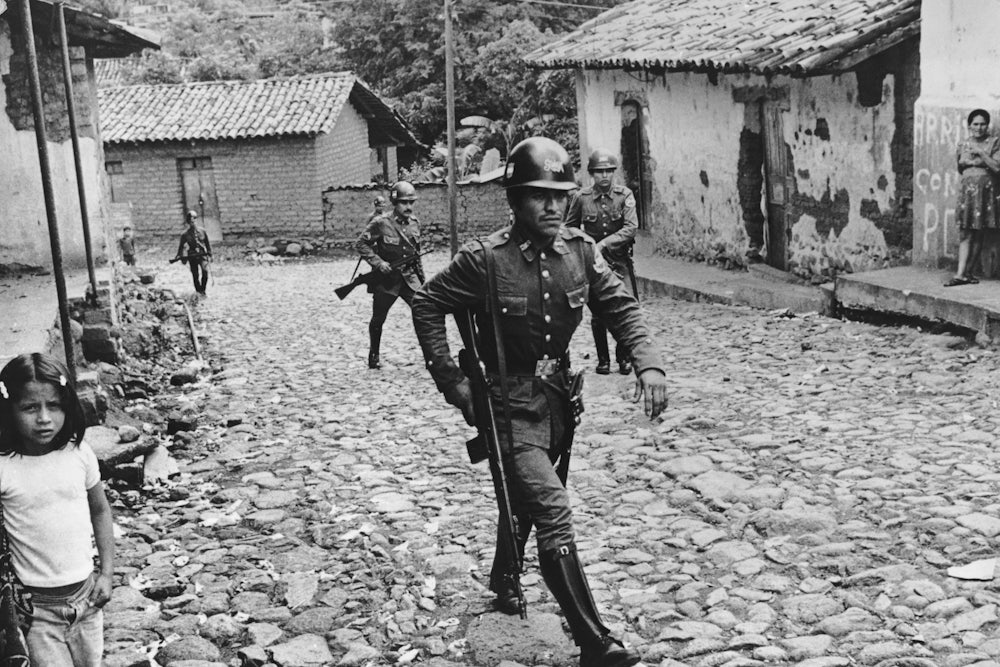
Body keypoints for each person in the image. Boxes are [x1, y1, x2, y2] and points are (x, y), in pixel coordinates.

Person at [411, 137, 669, 667]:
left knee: (530, 496)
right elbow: (427, 302)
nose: (551, 206)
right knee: (553, 510)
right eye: (537, 196)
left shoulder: (580, 251)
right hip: (505, 405)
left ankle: (504, 573)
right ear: (514, 200)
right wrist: (454, 386)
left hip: (557, 403)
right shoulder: (484, 260)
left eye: (559, 195)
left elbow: (620, 308)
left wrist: (648, 362)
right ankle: (595, 641)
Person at [0, 353, 114, 666]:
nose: (44, 418)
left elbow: (100, 511)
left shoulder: (79, 453)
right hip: (36, 610)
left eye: (54, 405)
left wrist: (106, 572)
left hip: (88, 599)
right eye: (29, 408)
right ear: (8, 409)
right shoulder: (4, 467)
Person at [566, 148, 639, 375]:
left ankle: (624, 358)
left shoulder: (624, 195)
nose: (604, 176)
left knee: (625, 307)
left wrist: (604, 244)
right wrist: (586, 248)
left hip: (619, 261)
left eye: (608, 171)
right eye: (599, 172)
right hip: (594, 264)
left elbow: (631, 228)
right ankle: (603, 360)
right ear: (592, 175)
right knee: (598, 313)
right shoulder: (581, 198)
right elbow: (570, 228)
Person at [355, 181, 426, 369]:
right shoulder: (381, 223)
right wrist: (379, 263)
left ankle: (432, 357)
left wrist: (423, 282)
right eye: (404, 203)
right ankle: (374, 355)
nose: (409, 207)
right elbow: (361, 244)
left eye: (411, 202)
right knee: (378, 318)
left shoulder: (415, 224)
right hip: (387, 281)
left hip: (409, 279)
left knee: (424, 314)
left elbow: (416, 256)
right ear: (395, 203)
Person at [945, 109, 1000, 286]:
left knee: (979, 232)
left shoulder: (994, 142)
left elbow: (997, 167)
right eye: (975, 124)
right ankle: (960, 274)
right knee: (966, 232)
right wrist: (978, 162)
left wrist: (981, 154)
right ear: (969, 126)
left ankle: (967, 273)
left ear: (987, 125)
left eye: (983, 123)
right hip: (968, 194)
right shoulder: (963, 144)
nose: (979, 127)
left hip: (985, 194)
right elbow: (961, 166)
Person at [175, 210, 212, 296]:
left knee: (205, 271)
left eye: (194, 220)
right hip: (192, 256)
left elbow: (207, 243)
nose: (193, 223)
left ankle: (203, 289)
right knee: (195, 275)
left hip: (202, 255)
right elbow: (181, 247)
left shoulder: (202, 231)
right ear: (188, 222)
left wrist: (210, 254)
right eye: (191, 221)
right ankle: (198, 291)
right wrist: (178, 255)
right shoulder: (185, 235)